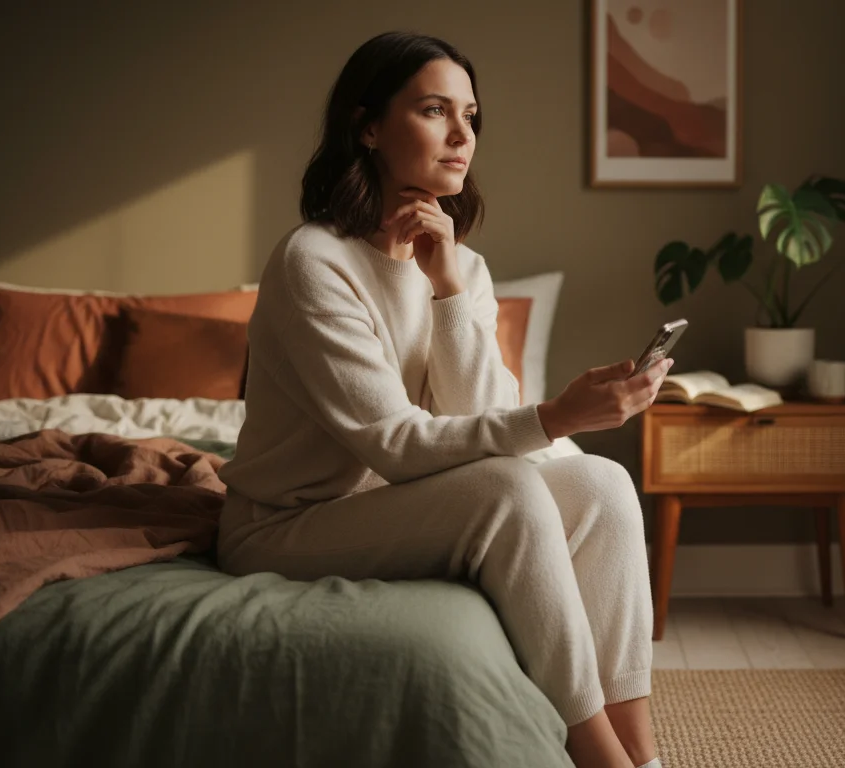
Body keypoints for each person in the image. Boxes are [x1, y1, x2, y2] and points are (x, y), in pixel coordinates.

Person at [215, 31, 672, 768]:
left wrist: (449, 288)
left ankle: (645, 758)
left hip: (401, 502)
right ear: (368, 126)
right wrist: (555, 415)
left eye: (472, 116)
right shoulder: (313, 261)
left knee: (603, 483)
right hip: (288, 523)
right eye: (435, 111)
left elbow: (472, 415)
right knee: (507, 491)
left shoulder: (461, 266)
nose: (463, 136)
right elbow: (395, 446)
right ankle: (600, 761)